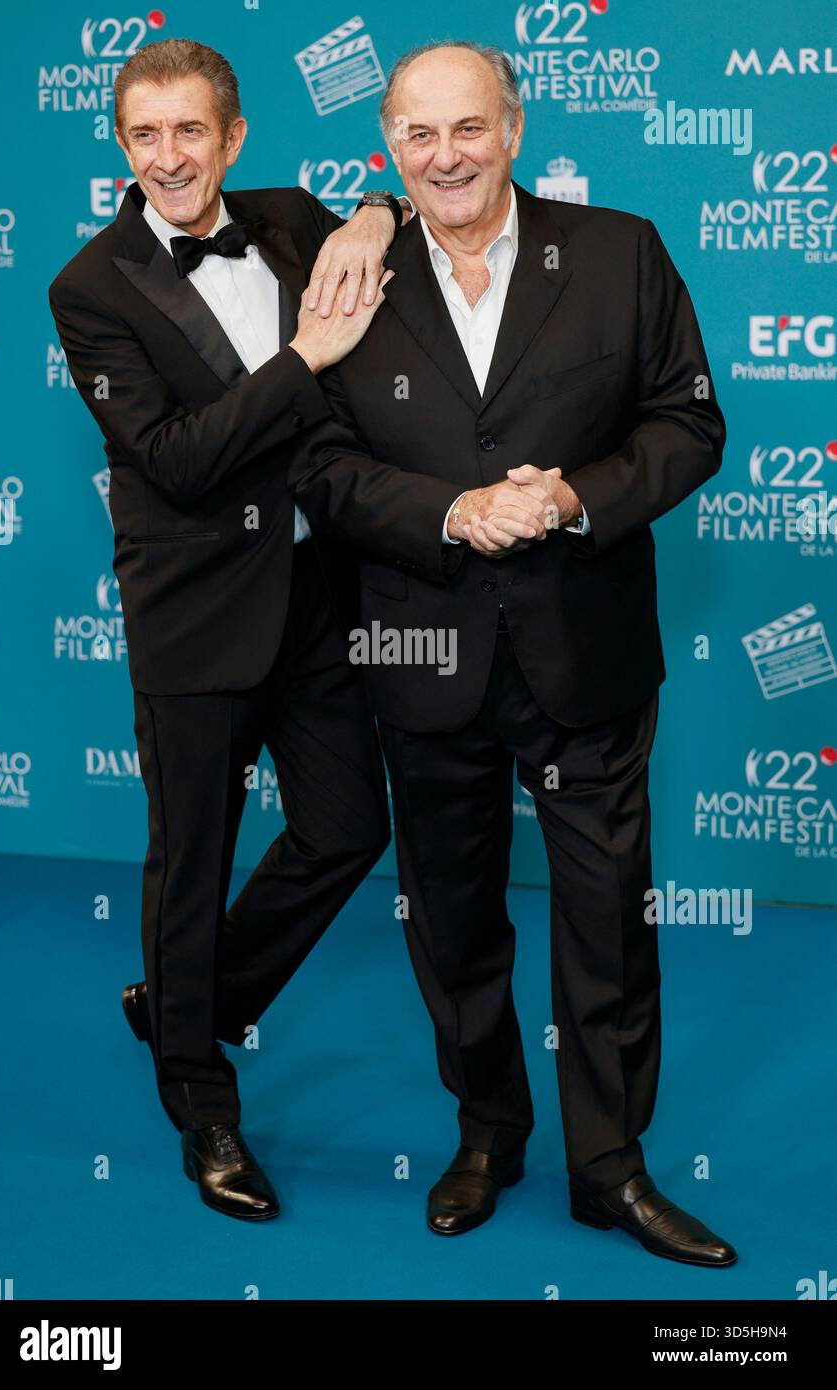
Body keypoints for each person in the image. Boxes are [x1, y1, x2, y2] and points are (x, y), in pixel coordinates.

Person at [289, 40, 737, 1265]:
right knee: (452, 919)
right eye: (419, 137)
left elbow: (690, 423)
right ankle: (488, 1131)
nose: (447, 157)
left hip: (582, 649)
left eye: (469, 128)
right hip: (421, 645)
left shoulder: (618, 253)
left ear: (516, 127)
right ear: (391, 148)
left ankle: (612, 1166)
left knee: (606, 918)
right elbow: (319, 466)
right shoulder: (347, 280)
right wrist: (448, 511)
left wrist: (572, 496)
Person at [48, 37, 409, 1222]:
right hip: (195, 609)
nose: (168, 159)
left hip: (314, 597)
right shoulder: (90, 286)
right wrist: (309, 355)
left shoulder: (289, 218)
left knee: (348, 826)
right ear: (122, 143)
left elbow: (395, 207)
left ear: (233, 137)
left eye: (189, 132)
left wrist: (368, 209)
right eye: (144, 135)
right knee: (189, 860)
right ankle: (202, 1104)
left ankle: (184, 1003)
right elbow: (176, 460)